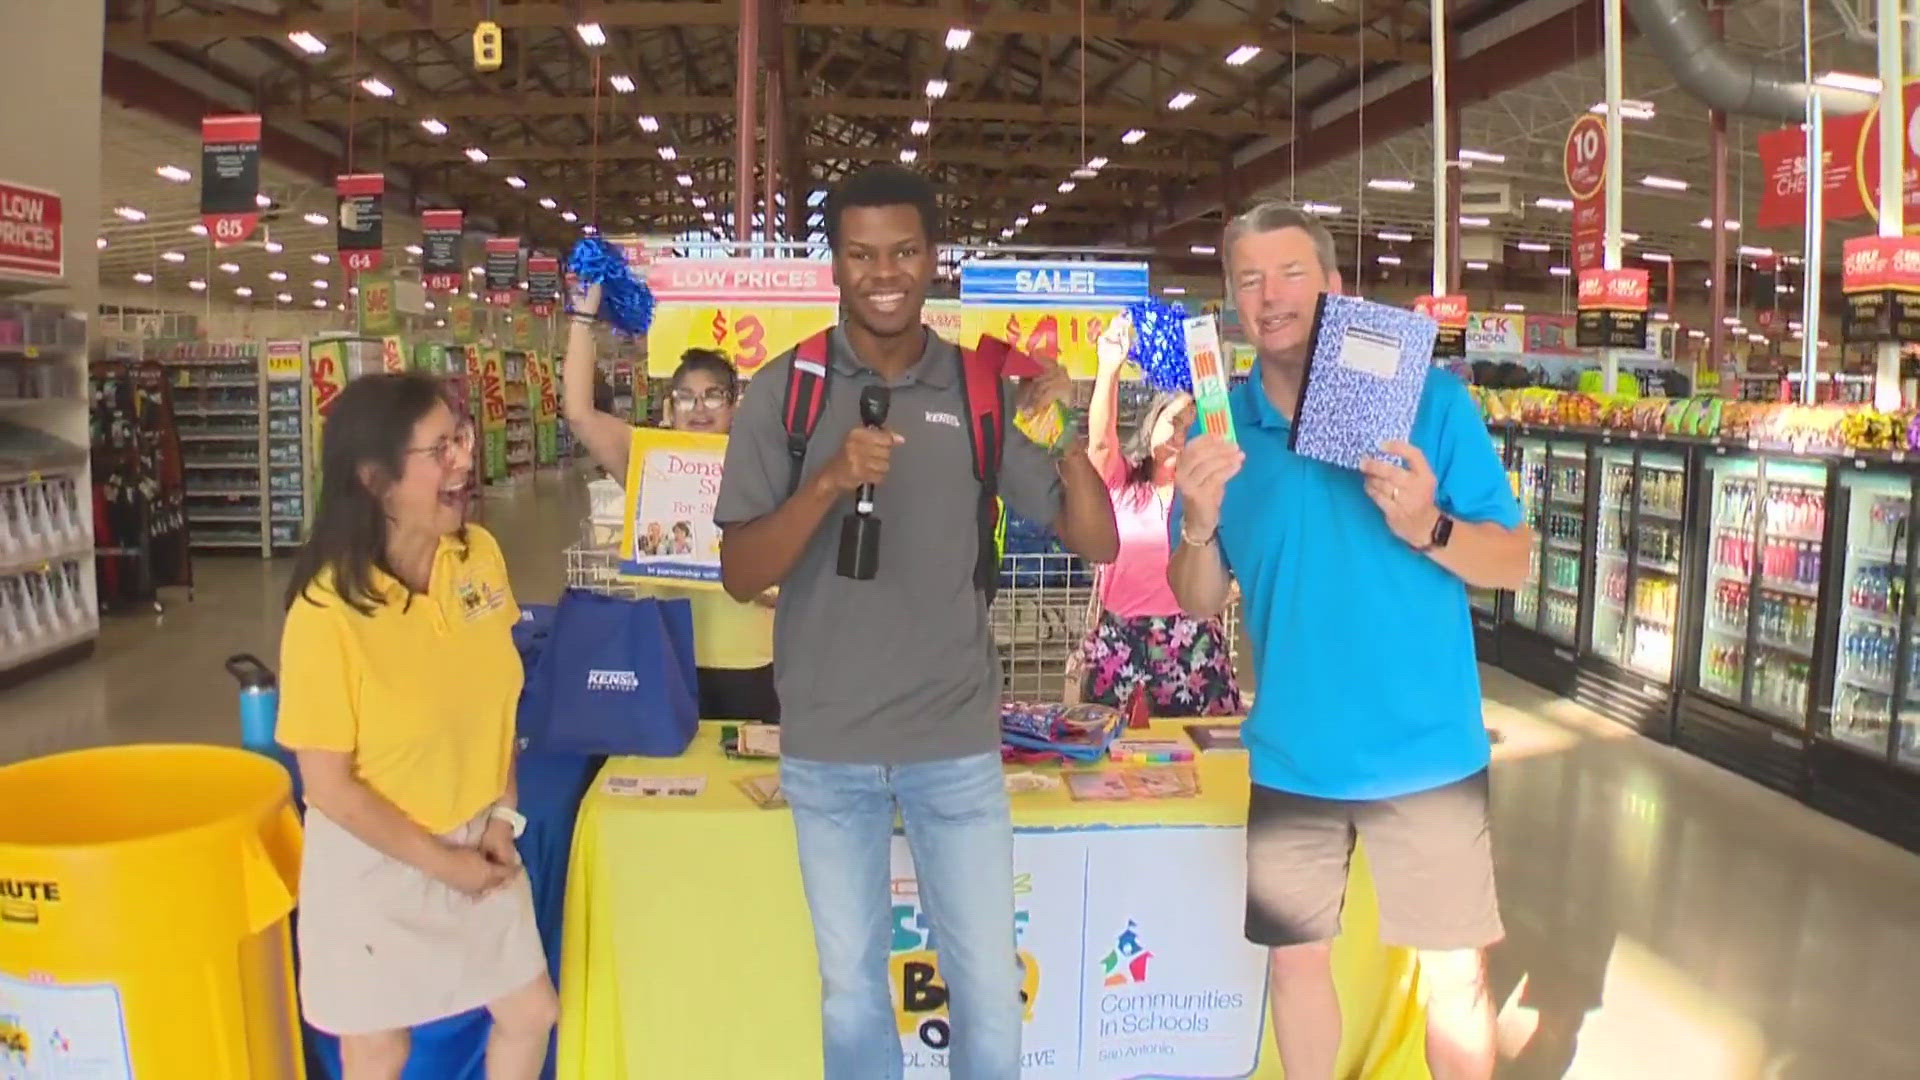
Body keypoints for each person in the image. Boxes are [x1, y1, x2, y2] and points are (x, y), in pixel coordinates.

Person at [714, 165, 1119, 1080]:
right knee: (852, 993)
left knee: (986, 987)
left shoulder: (980, 391)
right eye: (861, 254)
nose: (883, 272)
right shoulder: (789, 393)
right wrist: (826, 481)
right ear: (835, 266)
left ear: (935, 260)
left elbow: (1092, 541)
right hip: (827, 748)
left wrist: (1058, 435)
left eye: (903, 251)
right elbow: (741, 573)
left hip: (956, 746)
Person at [1167, 202, 1531, 1080]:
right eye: (1249, 280)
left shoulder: (1430, 402)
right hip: (1294, 751)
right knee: (1295, 960)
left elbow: (1514, 561)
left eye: (1291, 274)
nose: (1271, 296)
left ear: (1335, 288)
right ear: (1233, 303)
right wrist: (1196, 522)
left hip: (1428, 751)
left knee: (1455, 973)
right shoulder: (1218, 432)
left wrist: (1428, 527)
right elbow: (1198, 598)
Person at [276, 373, 556, 1079]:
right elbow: (330, 788)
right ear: (376, 480)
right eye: (441, 450)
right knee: (380, 1047)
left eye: (460, 438)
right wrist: (442, 865)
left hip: (480, 838)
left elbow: (499, 700)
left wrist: (502, 817)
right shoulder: (325, 615)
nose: (464, 459)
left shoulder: (479, 558)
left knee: (529, 1012)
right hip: (378, 864)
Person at [561, 326, 780, 721]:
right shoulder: (648, 460)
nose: (699, 409)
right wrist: (582, 314)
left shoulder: (766, 465)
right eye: (686, 397)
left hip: (749, 659)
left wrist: (773, 587)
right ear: (669, 406)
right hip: (665, 655)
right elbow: (578, 412)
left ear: (734, 406)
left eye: (714, 396)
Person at [1076, 320, 1241, 716]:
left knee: (1202, 759)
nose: (1183, 431)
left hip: (1194, 644)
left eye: (1193, 424)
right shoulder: (1118, 486)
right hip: (1121, 643)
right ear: (1152, 425)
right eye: (1176, 419)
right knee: (1112, 757)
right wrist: (1109, 367)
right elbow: (1100, 441)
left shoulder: (1211, 495)